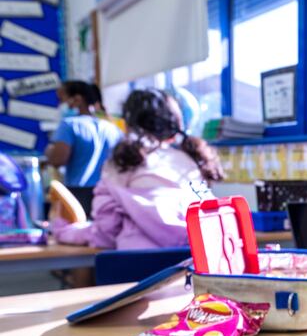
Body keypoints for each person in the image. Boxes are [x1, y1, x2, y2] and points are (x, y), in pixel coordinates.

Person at [54, 88, 223, 250]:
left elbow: (104, 235)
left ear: (128, 123)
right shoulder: (192, 161)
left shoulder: (123, 162)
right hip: (191, 270)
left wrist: (65, 232)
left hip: (137, 271)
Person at [44, 80, 123, 214]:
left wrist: (50, 152)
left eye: (62, 99)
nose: (60, 104)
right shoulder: (112, 128)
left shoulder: (69, 125)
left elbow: (58, 160)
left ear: (77, 99)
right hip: (108, 193)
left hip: (77, 195)